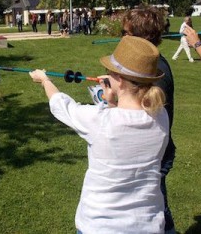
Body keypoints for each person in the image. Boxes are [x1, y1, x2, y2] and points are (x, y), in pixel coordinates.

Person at [30, 36, 169, 234]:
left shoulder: (100, 121)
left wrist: (44, 79)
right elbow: (127, 119)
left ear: (119, 80)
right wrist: (113, 100)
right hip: (147, 225)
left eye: (110, 72)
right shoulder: (160, 116)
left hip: (100, 226)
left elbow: (62, 105)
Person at [121, 6, 176, 234]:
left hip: (153, 158)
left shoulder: (156, 72)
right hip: (150, 155)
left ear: (141, 37)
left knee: (154, 213)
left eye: (126, 33)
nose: (122, 38)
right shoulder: (147, 67)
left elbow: (147, 121)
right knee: (157, 209)